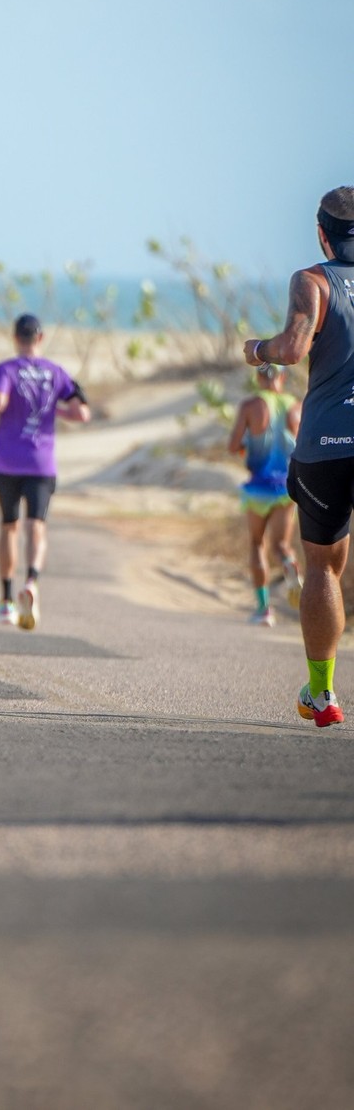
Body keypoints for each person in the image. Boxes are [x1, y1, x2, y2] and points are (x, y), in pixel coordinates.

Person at [243, 185, 354, 728]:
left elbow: (291, 349)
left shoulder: (312, 281)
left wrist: (256, 350)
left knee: (323, 567)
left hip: (328, 445)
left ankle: (322, 693)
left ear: (320, 233)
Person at [0, 313, 91, 628]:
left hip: (6, 460)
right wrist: (52, 410)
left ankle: (5, 600)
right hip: (41, 462)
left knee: (8, 527)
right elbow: (82, 412)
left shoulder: (7, 369)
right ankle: (31, 580)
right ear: (40, 339)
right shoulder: (56, 372)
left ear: (16, 338)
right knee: (37, 527)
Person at [227, 363, 303, 626]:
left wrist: (247, 449)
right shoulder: (296, 406)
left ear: (259, 376)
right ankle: (289, 563)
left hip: (258, 487)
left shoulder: (250, 406)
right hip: (286, 487)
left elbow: (233, 445)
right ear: (283, 376)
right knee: (281, 544)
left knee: (257, 543)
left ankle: (263, 609)